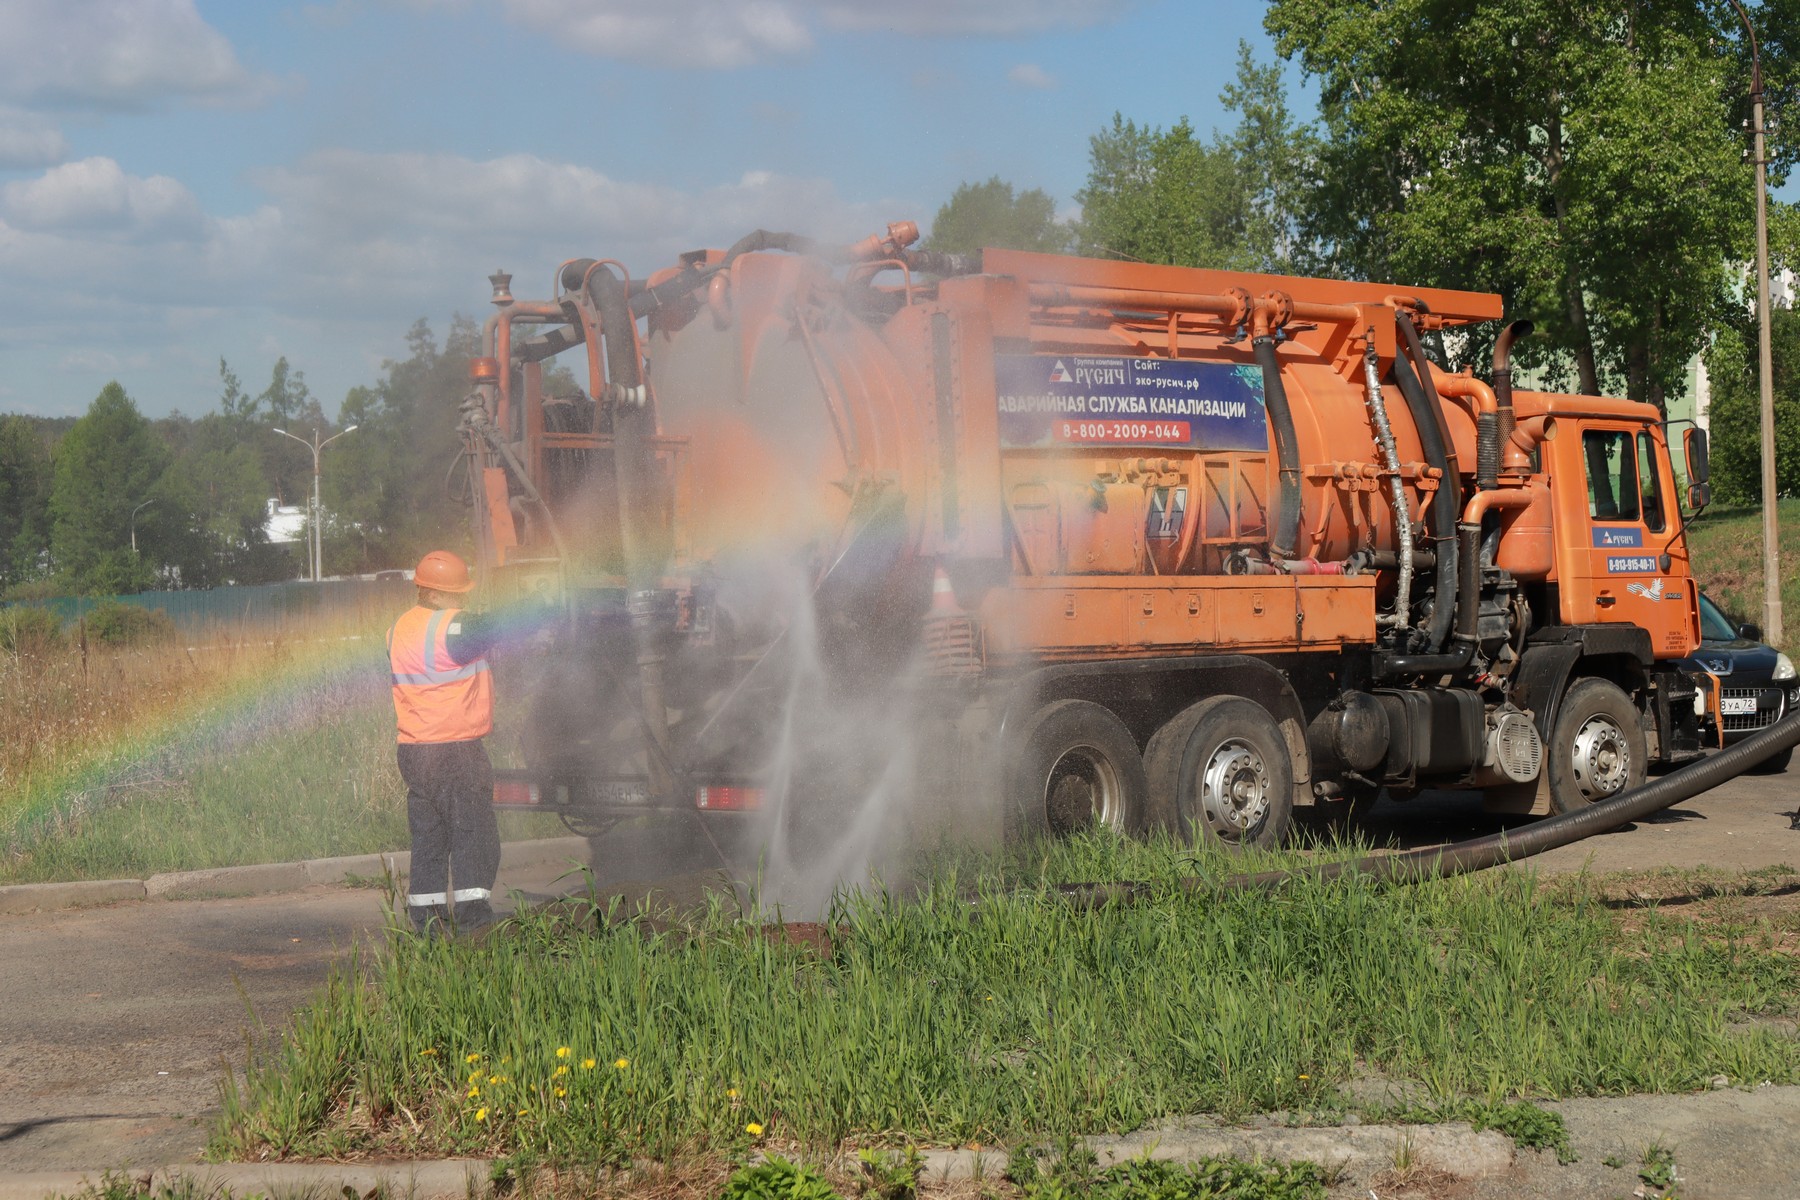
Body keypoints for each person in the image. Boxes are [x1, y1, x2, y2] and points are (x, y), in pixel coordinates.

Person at [387, 549, 507, 935]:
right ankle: (474, 926)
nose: (462, 601)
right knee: (473, 833)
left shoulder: (399, 628)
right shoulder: (451, 628)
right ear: (435, 594)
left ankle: (428, 926)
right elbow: (494, 627)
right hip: (455, 750)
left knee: (429, 839)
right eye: (456, 593)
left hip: (414, 750)